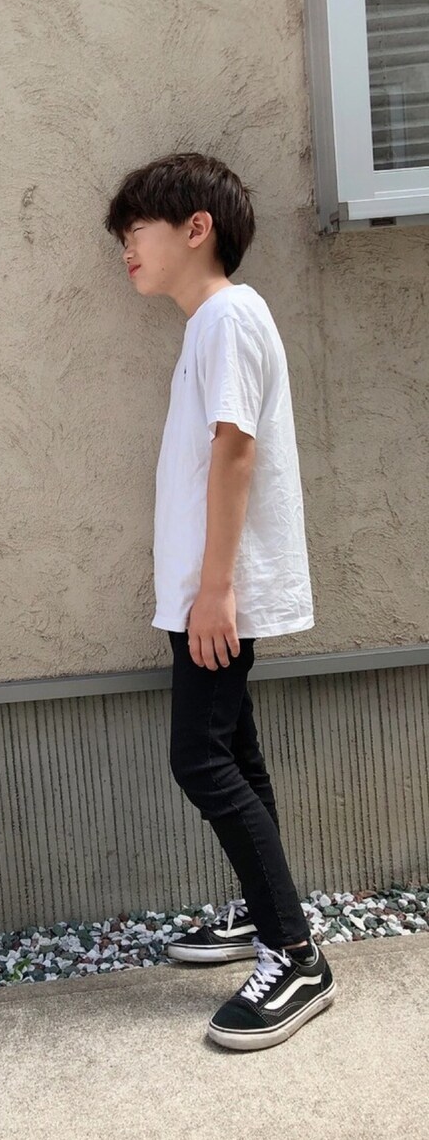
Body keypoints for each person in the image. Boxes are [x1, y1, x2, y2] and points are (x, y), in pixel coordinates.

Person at [105, 152, 335, 1051]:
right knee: (234, 751)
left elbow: (236, 448)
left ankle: (295, 955)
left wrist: (215, 588)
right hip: (207, 590)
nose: (126, 248)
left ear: (196, 227)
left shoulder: (228, 317)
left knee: (200, 759)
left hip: (217, 592)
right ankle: (265, 911)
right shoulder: (212, 323)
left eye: (136, 230)